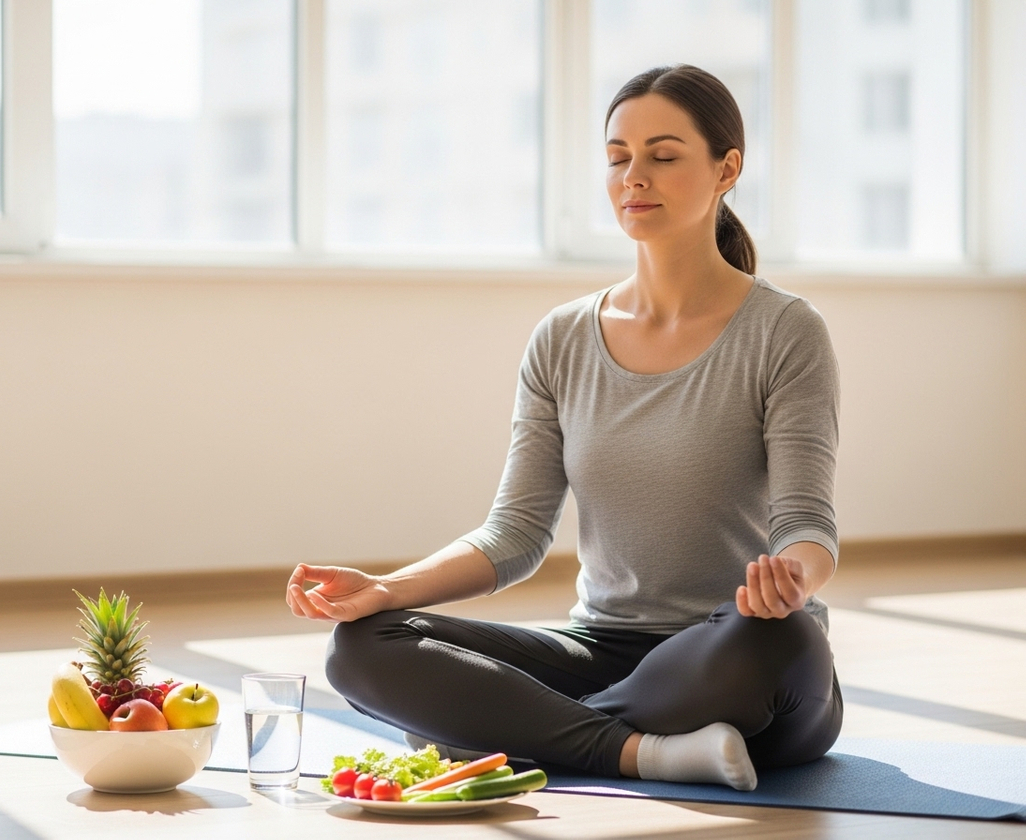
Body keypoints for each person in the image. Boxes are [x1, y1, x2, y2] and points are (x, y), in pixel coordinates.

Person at [285, 64, 842, 791]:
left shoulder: (786, 331)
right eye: (617, 157)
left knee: (778, 643)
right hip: (600, 648)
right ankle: (640, 751)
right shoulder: (563, 338)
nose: (633, 176)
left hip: (731, 647)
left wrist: (790, 580)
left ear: (726, 168)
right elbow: (514, 535)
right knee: (361, 648)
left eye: (663, 156)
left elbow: (807, 522)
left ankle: (513, 726)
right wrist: (389, 590)